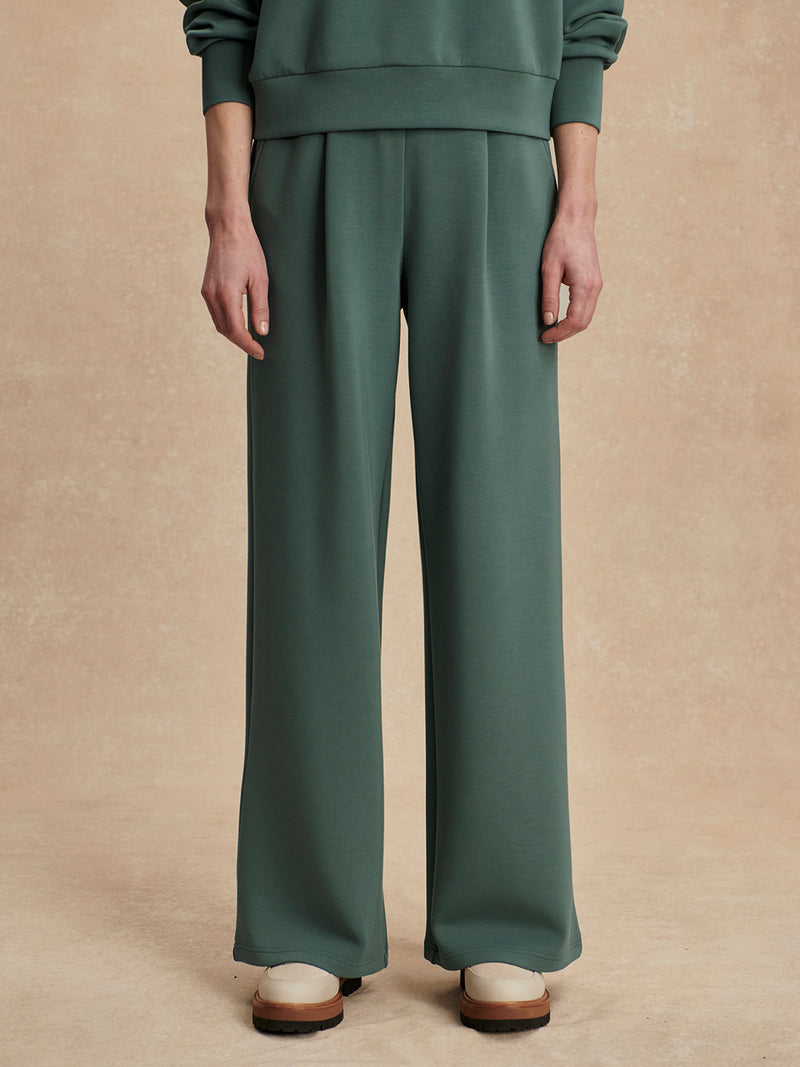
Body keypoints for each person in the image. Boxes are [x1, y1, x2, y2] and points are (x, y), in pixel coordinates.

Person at [178, 0, 627, 1036]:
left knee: (501, 546)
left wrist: (577, 205)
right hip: (306, 158)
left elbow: (585, 18)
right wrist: (227, 213)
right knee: (310, 543)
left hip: (502, 156)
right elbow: (224, 16)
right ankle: (307, 917)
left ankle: (504, 913)